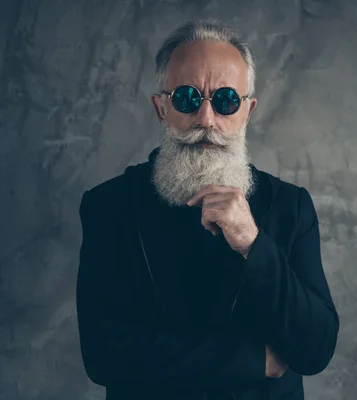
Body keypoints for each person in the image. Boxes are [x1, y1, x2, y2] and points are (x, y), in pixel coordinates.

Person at [75, 18, 339, 400]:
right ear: (161, 108)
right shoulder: (109, 206)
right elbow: (104, 355)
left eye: (226, 100)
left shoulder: (291, 206)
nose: (206, 119)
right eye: (187, 98)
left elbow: (315, 349)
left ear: (247, 112)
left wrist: (253, 244)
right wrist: (251, 359)